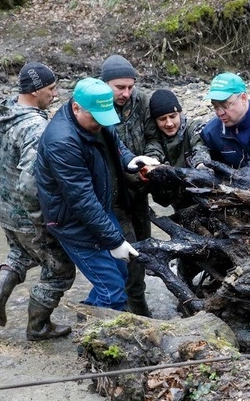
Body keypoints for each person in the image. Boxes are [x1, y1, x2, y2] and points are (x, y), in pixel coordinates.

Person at [35, 77, 160, 312]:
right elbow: (82, 200)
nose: (101, 124)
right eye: (96, 119)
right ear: (76, 107)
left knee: (120, 273)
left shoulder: (97, 116)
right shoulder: (62, 142)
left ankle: (87, 318)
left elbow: (115, 144)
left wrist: (130, 159)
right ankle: (98, 344)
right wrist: (114, 241)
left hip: (99, 210)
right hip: (72, 222)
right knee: (112, 292)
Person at [0, 61, 78, 341]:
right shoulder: (36, 128)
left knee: (21, 253)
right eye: (51, 89)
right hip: (27, 213)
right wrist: (42, 220)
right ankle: (38, 327)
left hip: (5, 208)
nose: (55, 94)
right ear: (36, 91)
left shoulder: (6, 112)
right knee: (60, 270)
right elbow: (30, 182)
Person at [100, 54, 163, 316]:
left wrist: (153, 161)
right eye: (119, 87)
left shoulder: (143, 101)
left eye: (130, 86)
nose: (126, 93)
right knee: (127, 253)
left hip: (139, 189)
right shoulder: (96, 106)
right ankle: (131, 309)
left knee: (144, 246)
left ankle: (135, 304)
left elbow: (153, 138)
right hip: (111, 195)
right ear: (105, 85)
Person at [147, 88, 211, 288]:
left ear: (180, 113)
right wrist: (153, 164)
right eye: (162, 119)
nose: (168, 123)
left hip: (206, 200)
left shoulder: (194, 128)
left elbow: (201, 148)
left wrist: (201, 167)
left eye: (173, 116)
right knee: (187, 251)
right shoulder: (155, 138)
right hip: (179, 205)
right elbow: (153, 151)